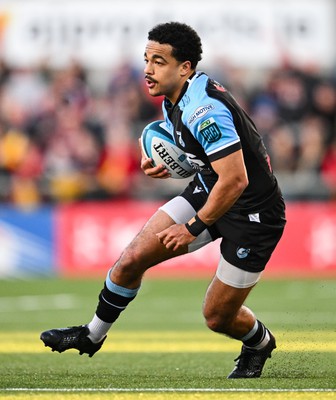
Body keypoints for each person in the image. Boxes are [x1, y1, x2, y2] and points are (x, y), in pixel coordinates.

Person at [40, 22, 286, 379]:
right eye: (146, 59)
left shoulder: (204, 109)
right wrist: (168, 163)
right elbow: (203, 153)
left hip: (253, 214)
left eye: (158, 61)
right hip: (209, 188)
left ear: (184, 67)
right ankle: (91, 336)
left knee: (217, 317)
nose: (147, 70)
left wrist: (192, 228)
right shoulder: (178, 96)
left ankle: (259, 343)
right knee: (131, 259)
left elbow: (236, 179)